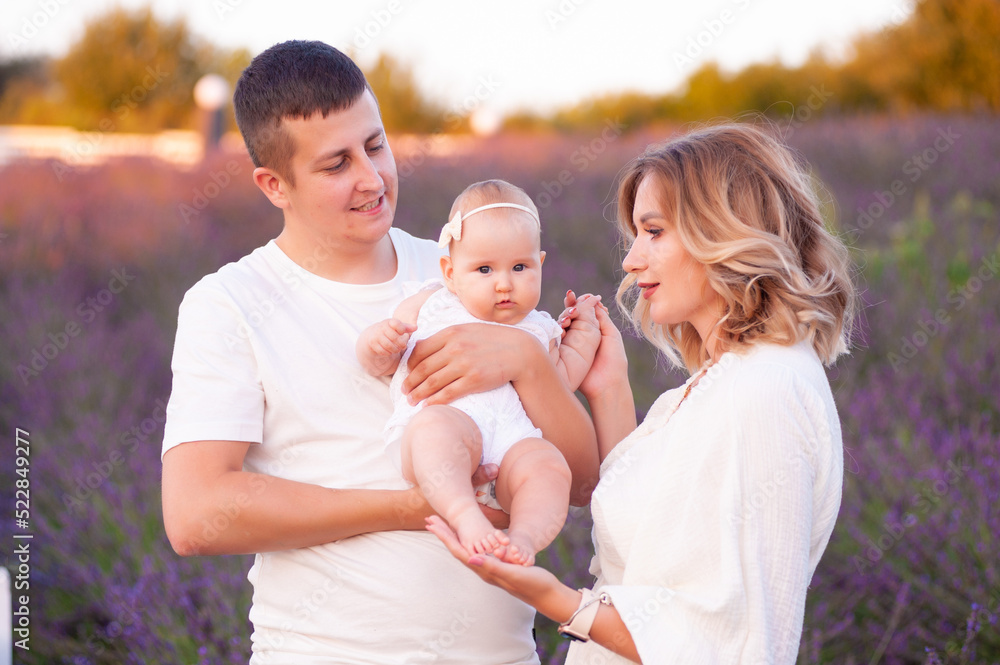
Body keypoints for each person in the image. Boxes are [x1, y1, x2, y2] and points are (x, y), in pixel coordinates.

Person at [159, 40, 599, 664]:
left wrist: (529, 364)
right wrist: (413, 508)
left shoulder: (470, 271)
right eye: (335, 164)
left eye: (375, 145)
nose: (371, 178)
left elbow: (578, 482)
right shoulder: (230, 303)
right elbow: (195, 513)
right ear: (273, 184)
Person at [427, 122, 857, 663]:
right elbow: (645, 531)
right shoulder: (714, 384)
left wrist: (553, 598)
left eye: (653, 232)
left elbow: (737, 640)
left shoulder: (765, 390)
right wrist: (608, 390)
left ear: (723, 230)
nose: (631, 261)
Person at [357, 179, 602, 566]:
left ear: (540, 265)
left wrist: (582, 341)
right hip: (451, 425)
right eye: (484, 269)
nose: (504, 283)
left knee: (547, 465)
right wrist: (379, 344)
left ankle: (521, 540)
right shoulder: (430, 303)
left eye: (519, 267)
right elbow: (381, 361)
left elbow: (558, 384)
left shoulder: (540, 328)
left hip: (513, 441)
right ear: (450, 273)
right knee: (435, 428)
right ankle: (466, 517)